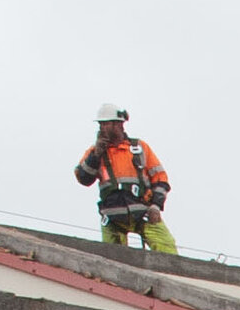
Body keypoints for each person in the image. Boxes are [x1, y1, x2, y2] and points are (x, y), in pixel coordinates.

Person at [74, 106, 175, 254]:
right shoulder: (95, 152)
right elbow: (83, 178)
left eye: (106, 124)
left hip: (143, 212)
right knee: (110, 260)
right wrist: (96, 155)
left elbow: (160, 179)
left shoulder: (139, 148)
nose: (102, 128)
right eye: (101, 124)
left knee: (168, 251)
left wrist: (156, 205)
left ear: (118, 124)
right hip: (112, 217)